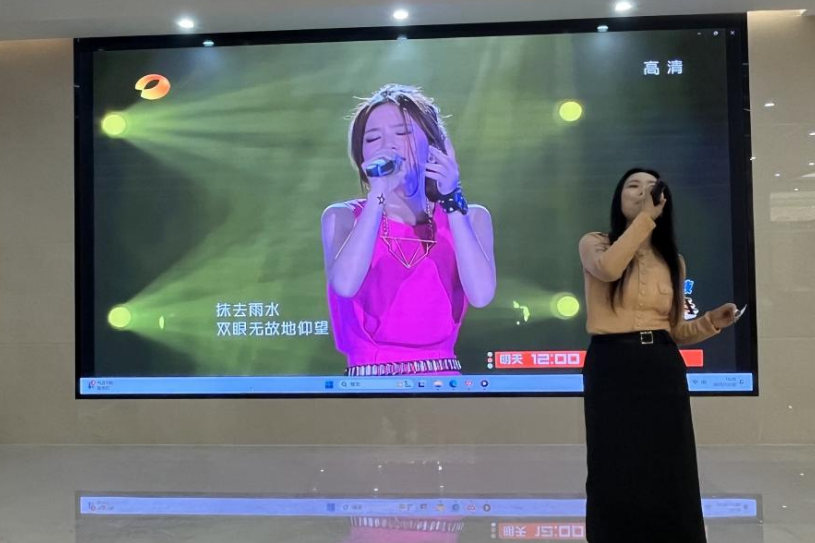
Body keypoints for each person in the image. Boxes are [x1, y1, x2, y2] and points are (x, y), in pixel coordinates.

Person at [578, 168, 742, 542]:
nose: (641, 193)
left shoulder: (672, 261)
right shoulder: (595, 243)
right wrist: (644, 221)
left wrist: (711, 322)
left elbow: (675, 331)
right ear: (619, 197)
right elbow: (609, 270)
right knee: (613, 459)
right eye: (633, 186)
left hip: (661, 366)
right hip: (612, 364)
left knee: (670, 461)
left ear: (664, 201)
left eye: (652, 188)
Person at [321, 84, 496, 377]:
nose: (387, 145)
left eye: (401, 133)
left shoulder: (469, 217)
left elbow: (481, 295)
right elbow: (346, 284)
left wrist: (452, 199)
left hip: (443, 383)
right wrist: (378, 194)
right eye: (373, 138)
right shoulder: (343, 217)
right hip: (368, 384)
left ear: (435, 146)